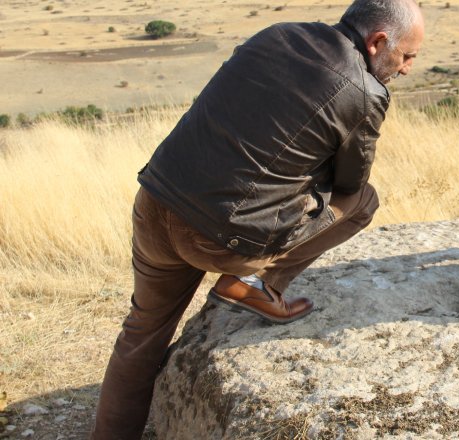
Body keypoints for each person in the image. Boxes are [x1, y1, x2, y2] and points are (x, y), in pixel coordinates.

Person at [91, 1, 424, 438]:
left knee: (140, 335)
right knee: (363, 200)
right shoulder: (365, 91)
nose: (406, 69)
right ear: (379, 42)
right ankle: (259, 283)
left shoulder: (277, 33)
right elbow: (351, 179)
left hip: (156, 201)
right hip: (222, 238)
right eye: (406, 56)